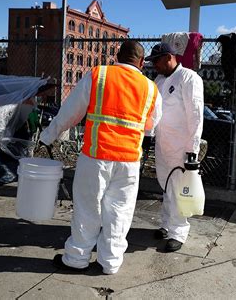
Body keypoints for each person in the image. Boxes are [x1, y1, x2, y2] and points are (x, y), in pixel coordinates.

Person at [39, 41, 162, 274]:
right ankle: (111, 262)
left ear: (117, 56)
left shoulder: (99, 75)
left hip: (96, 156)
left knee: (87, 208)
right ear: (142, 63)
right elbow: (150, 126)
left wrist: (48, 135)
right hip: (128, 161)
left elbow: (71, 112)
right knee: (120, 211)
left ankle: (76, 258)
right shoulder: (151, 88)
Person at [145, 42, 204, 252]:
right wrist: (147, 136)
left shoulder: (189, 78)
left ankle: (178, 232)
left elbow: (195, 117)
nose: (154, 66)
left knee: (179, 188)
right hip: (163, 144)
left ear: (169, 57)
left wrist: (192, 149)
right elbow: (152, 112)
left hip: (181, 146)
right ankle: (167, 224)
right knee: (167, 186)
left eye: (157, 61)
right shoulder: (158, 81)